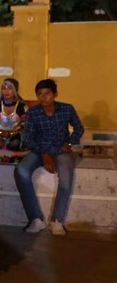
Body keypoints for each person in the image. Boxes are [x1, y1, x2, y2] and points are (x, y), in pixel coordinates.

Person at [14, 78, 84, 236]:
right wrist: (44, 155)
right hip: (39, 150)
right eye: (40, 94)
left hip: (61, 149)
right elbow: (29, 139)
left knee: (66, 176)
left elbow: (79, 127)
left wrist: (70, 143)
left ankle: (57, 221)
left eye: (47, 94)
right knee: (22, 171)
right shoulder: (32, 113)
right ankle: (36, 219)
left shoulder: (67, 109)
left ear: (55, 94)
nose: (43, 98)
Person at [0, 78, 27, 151]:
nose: (6, 91)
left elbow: (26, 127)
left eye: (10, 89)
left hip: (15, 135)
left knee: (16, 142)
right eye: (4, 88)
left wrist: (11, 133)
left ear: (15, 90)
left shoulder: (22, 107)